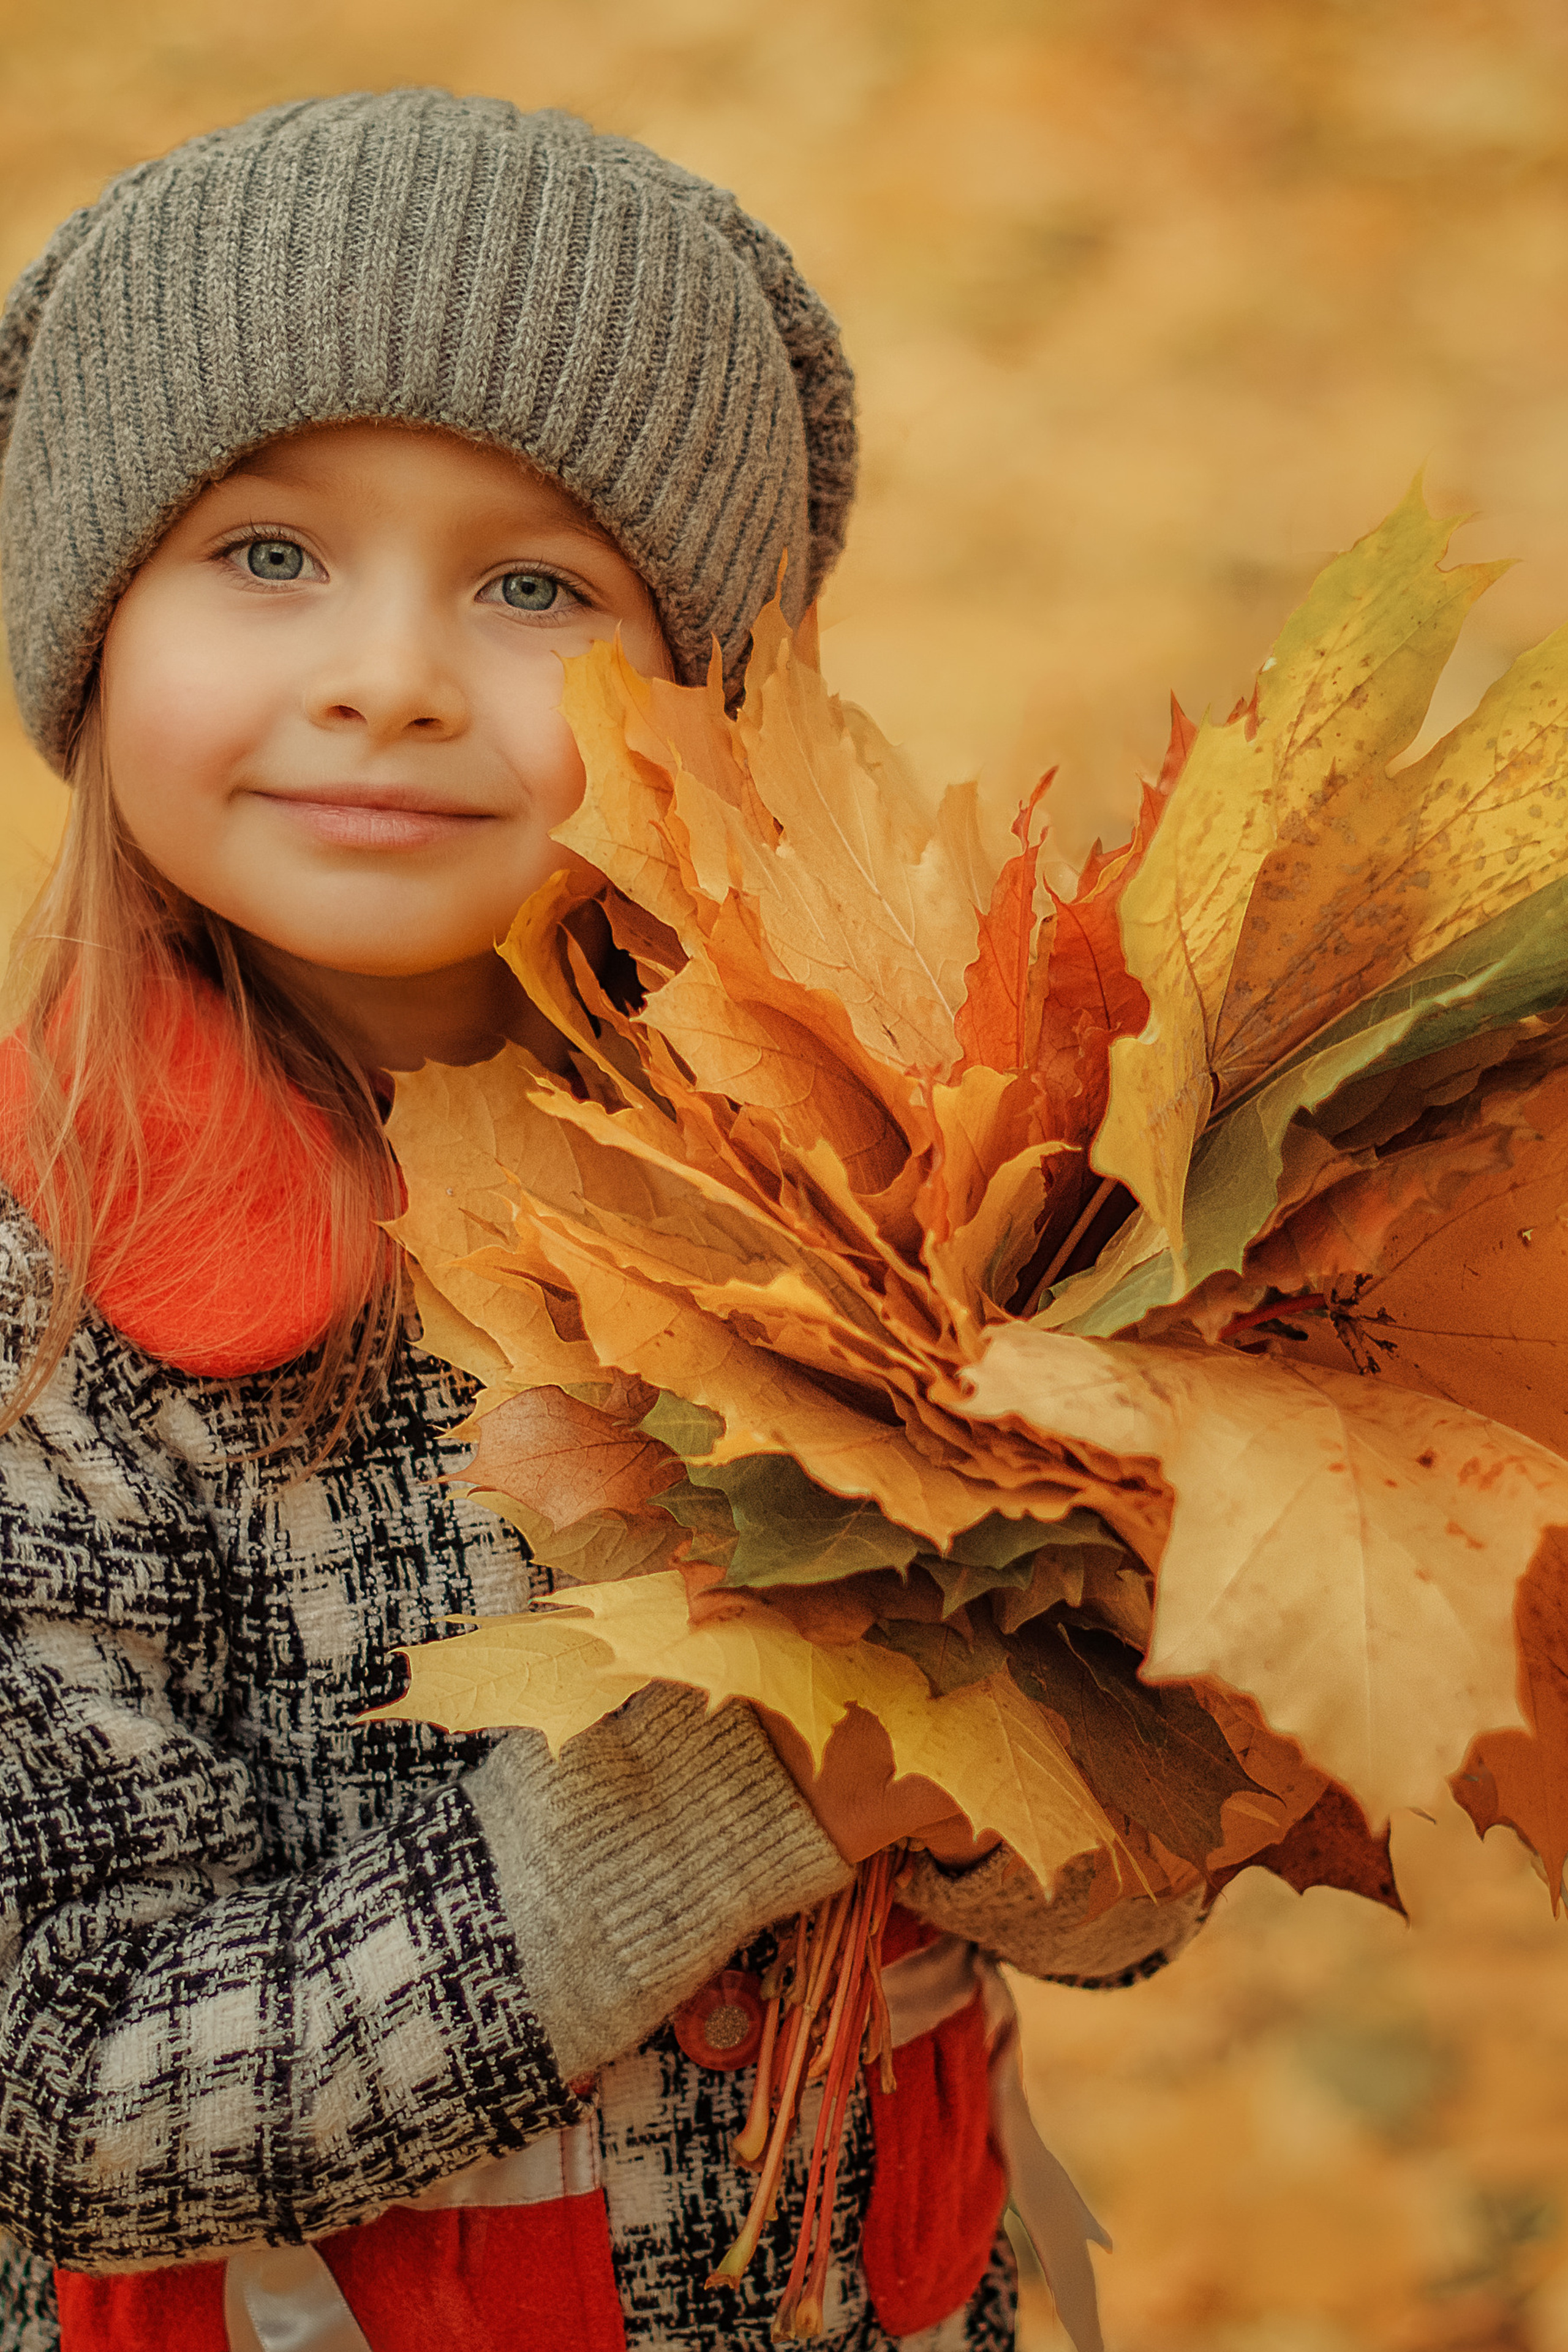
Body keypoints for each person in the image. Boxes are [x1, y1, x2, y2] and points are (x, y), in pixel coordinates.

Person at [0, 91, 1203, 2352]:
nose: (390, 672)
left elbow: (1138, 1879)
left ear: (707, 694)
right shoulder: (47, 1315)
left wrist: (1001, 1808)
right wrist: (737, 1793)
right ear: (87, 618)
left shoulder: (885, 1192)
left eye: (536, 585)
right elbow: (61, 2085)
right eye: (268, 553)